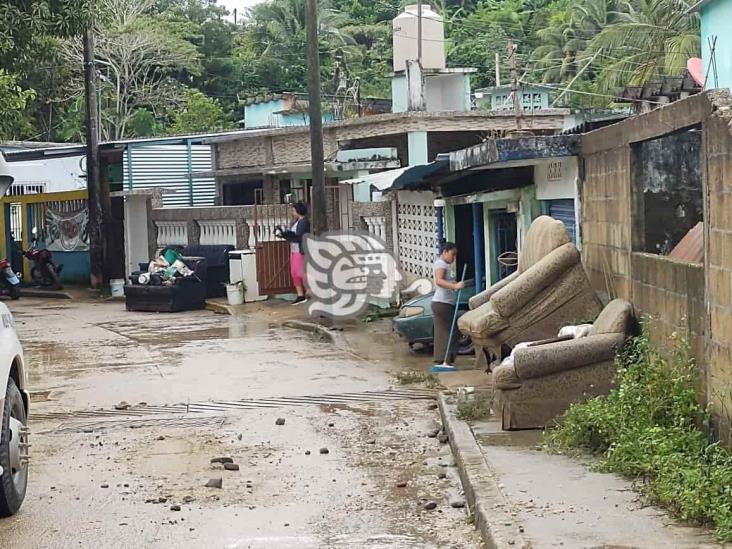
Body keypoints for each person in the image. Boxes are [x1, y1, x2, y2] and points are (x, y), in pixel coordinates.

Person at [432, 242, 464, 365]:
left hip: (443, 303)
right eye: (452, 254)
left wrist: (455, 284)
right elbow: (439, 281)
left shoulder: (444, 264)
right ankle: (446, 360)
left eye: (455, 255)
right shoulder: (441, 264)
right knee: (452, 331)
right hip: (442, 303)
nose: (454, 258)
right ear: (445, 252)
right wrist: (454, 286)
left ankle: (442, 359)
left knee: (443, 332)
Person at [278, 202, 310, 305]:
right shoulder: (297, 222)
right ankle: (300, 295)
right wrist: (284, 234)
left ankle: (309, 291)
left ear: (298, 211)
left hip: (300, 251)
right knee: (294, 273)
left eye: (293, 210)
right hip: (294, 250)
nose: (292, 213)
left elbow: (298, 237)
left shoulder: (303, 222)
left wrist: (285, 235)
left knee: (300, 273)